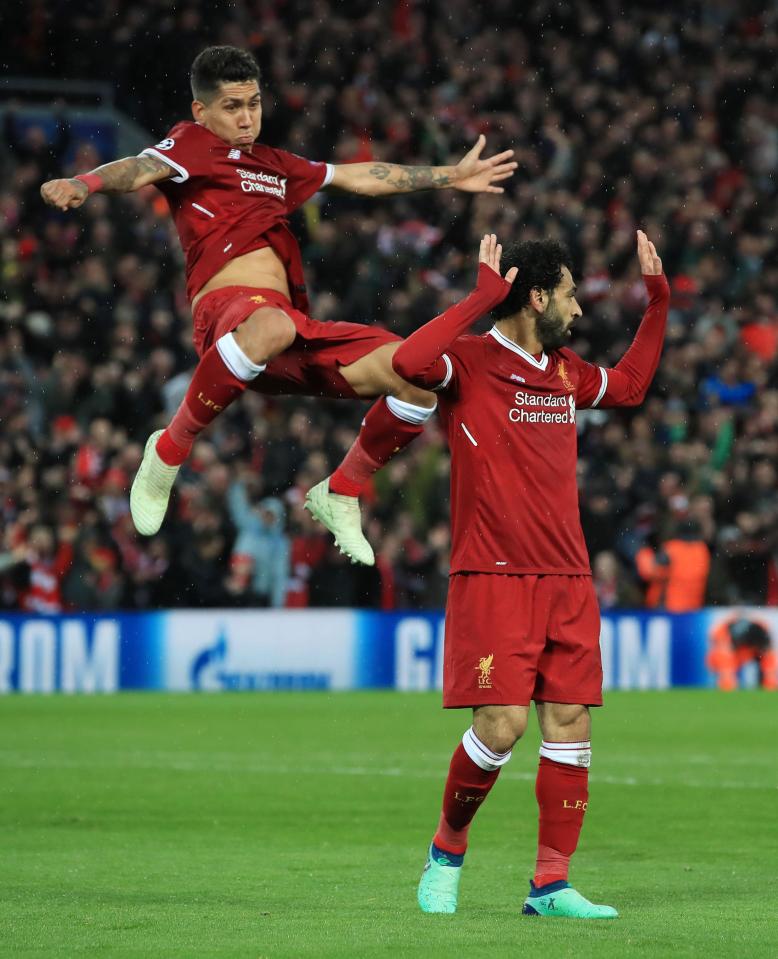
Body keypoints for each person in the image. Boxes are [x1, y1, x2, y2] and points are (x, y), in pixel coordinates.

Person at [39, 45, 516, 565]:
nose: (247, 118)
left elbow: (359, 176)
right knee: (272, 326)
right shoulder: (191, 145)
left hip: (288, 330)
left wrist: (450, 176)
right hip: (229, 318)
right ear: (202, 112)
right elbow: (136, 167)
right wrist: (83, 183)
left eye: (253, 103)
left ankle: (341, 490)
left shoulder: (273, 165)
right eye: (232, 106)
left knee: (418, 374)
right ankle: (168, 451)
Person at [391, 231, 669, 919]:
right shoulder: (471, 361)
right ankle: (446, 850)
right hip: (494, 571)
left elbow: (630, 386)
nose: (578, 310)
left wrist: (658, 302)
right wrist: (477, 300)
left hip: (568, 576)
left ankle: (550, 883)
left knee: (570, 721)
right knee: (503, 723)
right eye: (570, 294)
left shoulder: (566, 371)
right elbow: (408, 359)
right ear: (538, 296)